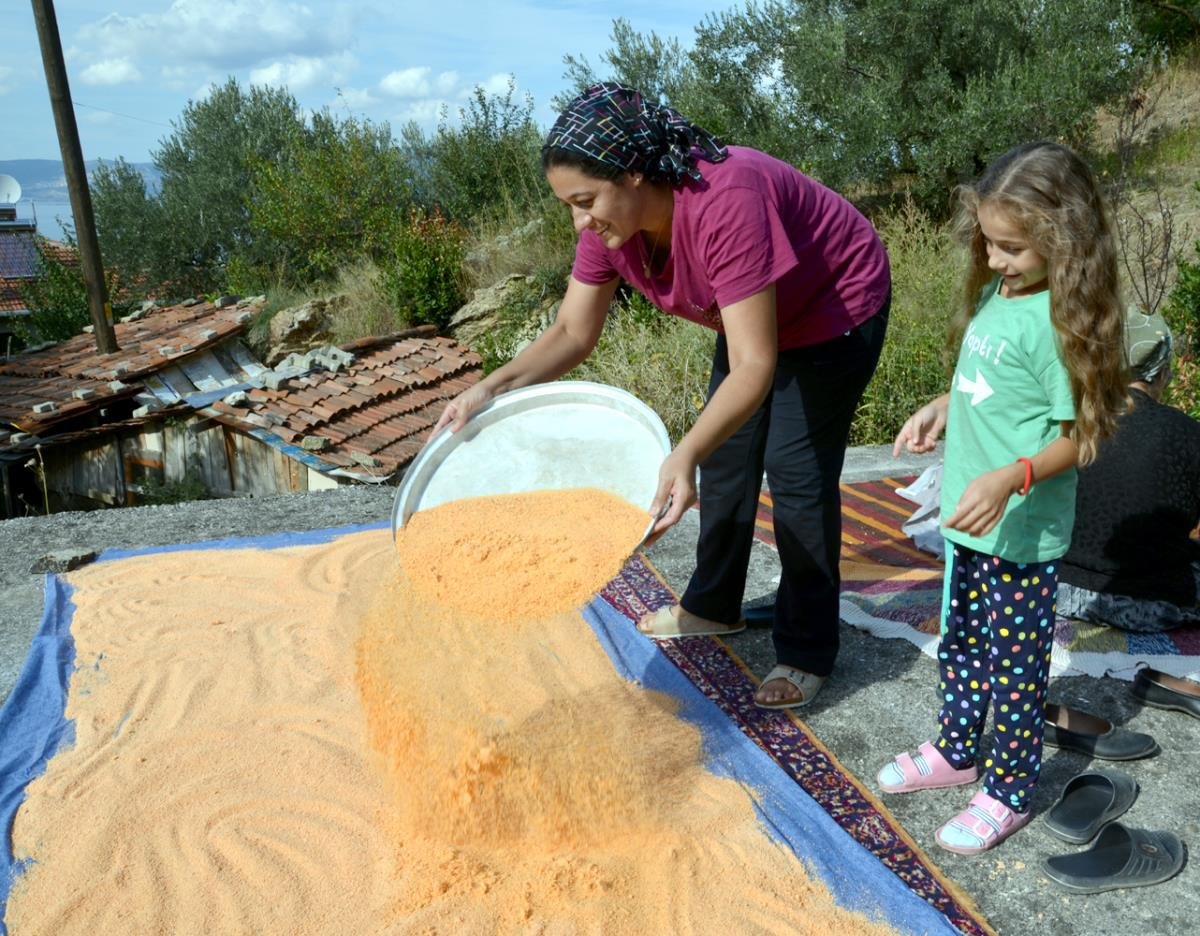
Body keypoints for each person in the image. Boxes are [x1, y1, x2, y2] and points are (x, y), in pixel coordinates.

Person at [434, 83, 891, 709]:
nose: (580, 221)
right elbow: (572, 331)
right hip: (754, 316)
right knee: (727, 457)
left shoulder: (726, 200)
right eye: (568, 205)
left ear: (634, 173)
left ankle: (807, 648)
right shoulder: (609, 227)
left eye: (586, 201)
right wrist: (488, 387)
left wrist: (682, 452)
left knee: (795, 471)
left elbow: (754, 367)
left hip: (834, 303)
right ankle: (713, 606)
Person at [878, 141, 1128, 855]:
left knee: (1014, 669)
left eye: (1012, 247)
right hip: (966, 520)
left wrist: (1011, 477)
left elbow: (1080, 437)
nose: (992, 260)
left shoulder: (1059, 323)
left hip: (1018, 532)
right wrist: (941, 407)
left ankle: (1009, 789)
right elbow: (988, 388)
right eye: (988, 242)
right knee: (959, 643)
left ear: (1066, 241)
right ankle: (959, 749)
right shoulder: (1003, 294)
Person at [1057, 311, 1200, 631]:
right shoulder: (1188, 432)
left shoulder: (1075, 424)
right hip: (1153, 602)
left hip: (1066, 591)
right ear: (1162, 372)